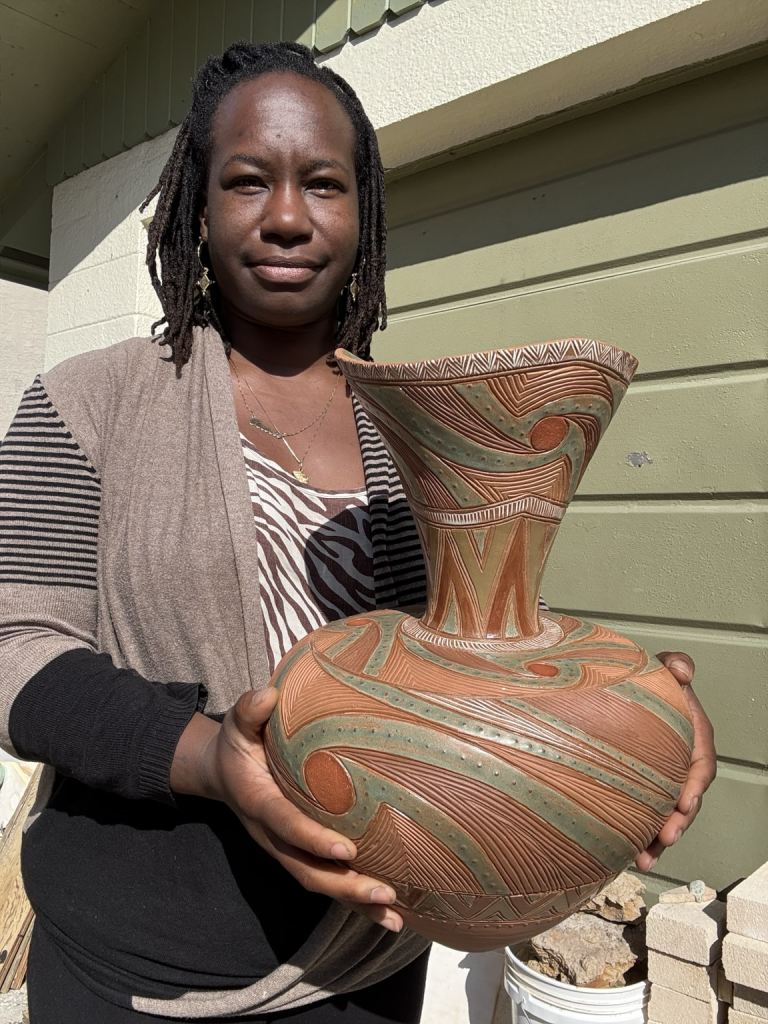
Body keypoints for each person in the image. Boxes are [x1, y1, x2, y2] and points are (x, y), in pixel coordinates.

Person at [0, 41, 716, 1024]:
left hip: (368, 964)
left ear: (362, 211)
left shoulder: (413, 424)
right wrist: (209, 757)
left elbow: (468, 638)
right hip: (141, 968)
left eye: (324, 184)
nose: (288, 216)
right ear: (196, 209)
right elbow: (16, 647)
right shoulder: (87, 403)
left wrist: (635, 718)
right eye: (248, 180)